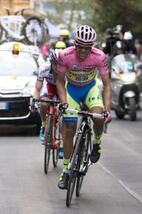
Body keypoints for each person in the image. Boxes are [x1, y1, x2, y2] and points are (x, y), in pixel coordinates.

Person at [55, 25, 112, 189]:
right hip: (71, 90)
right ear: (75, 44)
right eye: (80, 46)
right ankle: (66, 170)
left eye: (87, 48)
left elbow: (107, 85)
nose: (83, 51)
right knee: (69, 127)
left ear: (91, 47)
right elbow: (59, 81)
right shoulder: (65, 55)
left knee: (98, 116)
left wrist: (107, 110)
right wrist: (64, 101)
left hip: (90, 89)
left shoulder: (99, 57)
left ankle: (97, 142)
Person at [32, 47, 65, 159]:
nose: (58, 68)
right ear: (51, 63)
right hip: (49, 88)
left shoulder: (67, 71)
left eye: (61, 65)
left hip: (63, 90)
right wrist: (35, 100)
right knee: (44, 103)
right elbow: (37, 89)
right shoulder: (44, 69)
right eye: (56, 65)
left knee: (64, 115)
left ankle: (62, 144)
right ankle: (44, 124)